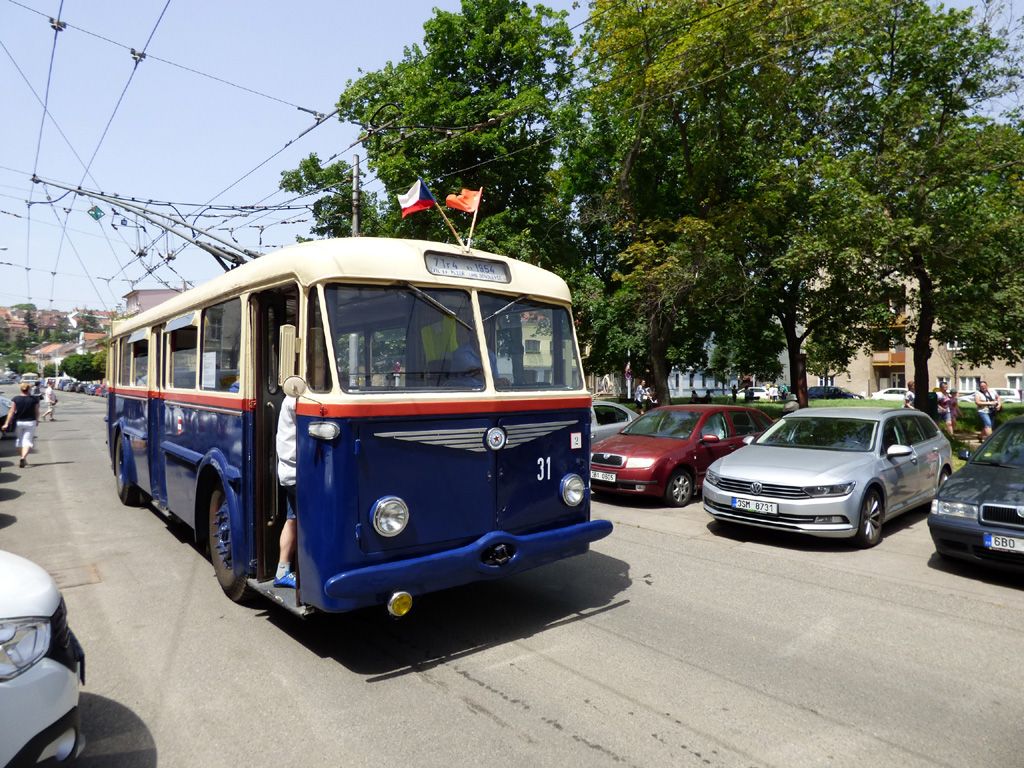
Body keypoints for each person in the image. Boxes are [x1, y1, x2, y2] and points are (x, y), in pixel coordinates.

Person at [274, 394, 298, 588]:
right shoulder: (295, 401)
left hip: (290, 472)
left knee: (293, 519)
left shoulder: (290, 399)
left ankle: (282, 572)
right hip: (298, 473)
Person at [3, 382, 40, 468]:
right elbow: (36, 411)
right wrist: (37, 420)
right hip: (30, 422)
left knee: (20, 440)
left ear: (21, 389)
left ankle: (22, 457)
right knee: (27, 441)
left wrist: (6, 423)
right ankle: (23, 457)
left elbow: (11, 412)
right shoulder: (34, 399)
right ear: (29, 389)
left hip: (19, 422)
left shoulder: (15, 399)